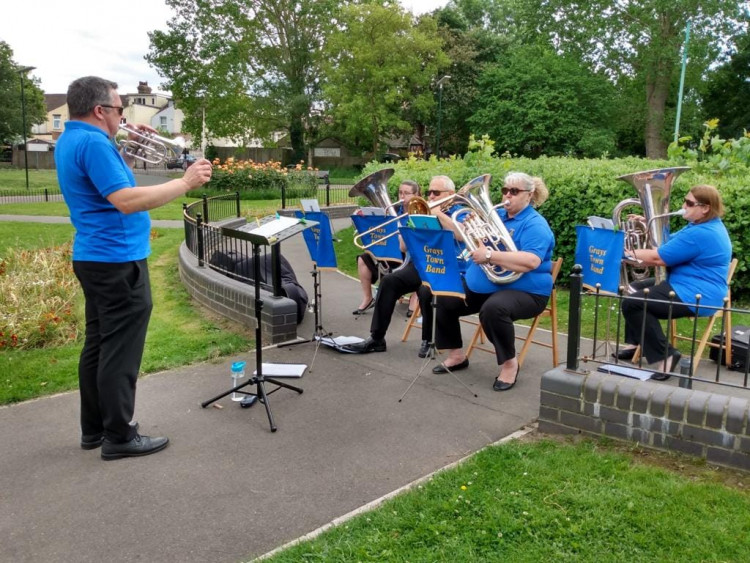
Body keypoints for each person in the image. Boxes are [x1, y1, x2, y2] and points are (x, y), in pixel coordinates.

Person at [55, 76, 213, 459]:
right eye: (118, 110)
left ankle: (94, 430)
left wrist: (129, 150)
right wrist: (185, 183)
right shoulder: (93, 142)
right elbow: (125, 200)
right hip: (117, 259)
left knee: (98, 345)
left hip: (95, 257)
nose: (122, 118)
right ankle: (120, 436)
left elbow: (108, 184)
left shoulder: (73, 139)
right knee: (120, 352)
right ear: (99, 110)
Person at [433, 172, 555, 391]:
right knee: (446, 294)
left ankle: (509, 363)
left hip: (527, 290)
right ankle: (457, 354)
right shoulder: (496, 214)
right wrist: (469, 229)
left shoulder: (535, 224)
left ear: (529, 195)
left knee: (493, 309)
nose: (507, 195)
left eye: (514, 191)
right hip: (490, 284)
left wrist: (489, 256)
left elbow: (531, 261)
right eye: (505, 190)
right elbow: (463, 237)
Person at [343, 176, 464, 357]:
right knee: (389, 282)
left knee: (426, 290)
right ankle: (377, 338)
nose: (430, 196)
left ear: (451, 194)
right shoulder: (422, 211)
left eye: (436, 193)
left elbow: (462, 234)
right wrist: (410, 225)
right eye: (429, 192)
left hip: (448, 267)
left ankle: (428, 340)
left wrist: (437, 214)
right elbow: (402, 247)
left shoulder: (459, 211)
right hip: (423, 264)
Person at [618, 185, 732, 377]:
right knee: (632, 288)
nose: (683, 205)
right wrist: (648, 224)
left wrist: (623, 253)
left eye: (689, 203)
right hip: (685, 283)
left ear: (705, 208)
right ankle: (635, 342)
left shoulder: (701, 233)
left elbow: (658, 258)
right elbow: (669, 243)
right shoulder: (700, 226)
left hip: (697, 294)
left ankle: (666, 356)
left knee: (633, 304)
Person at [353, 180, 421, 315]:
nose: (402, 196)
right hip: (391, 250)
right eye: (400, 192)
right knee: (364, 259)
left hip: (411, 253)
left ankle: (415, 297)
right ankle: (368, 298)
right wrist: (362, 218)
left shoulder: (420, 210)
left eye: (406, 193)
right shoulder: (392, 211)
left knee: (418, 261)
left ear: (417, 195)